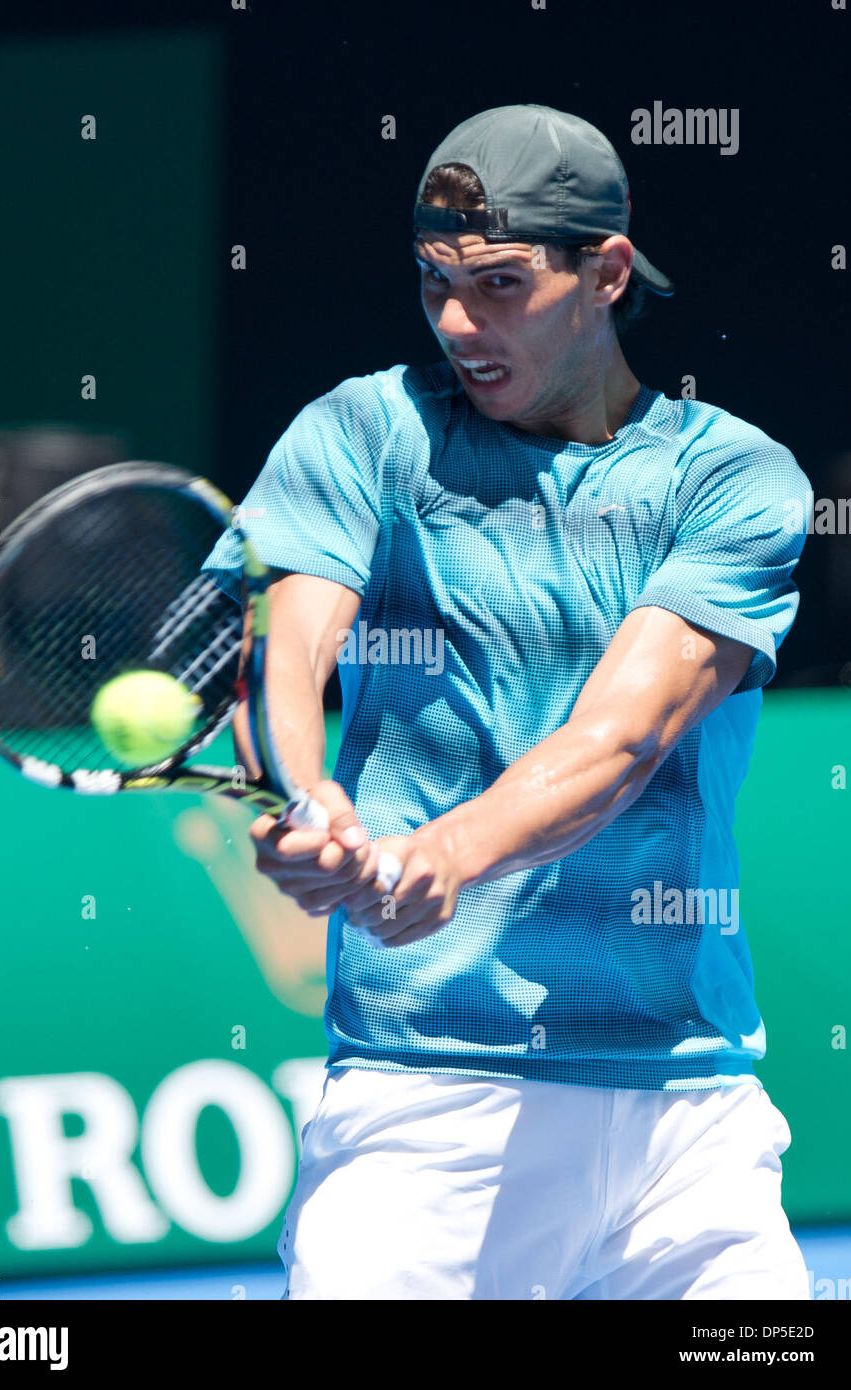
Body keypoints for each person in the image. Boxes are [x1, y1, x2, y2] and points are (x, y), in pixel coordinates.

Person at [203, 104, 811, 1300]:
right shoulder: (365, 432)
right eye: (433, 282)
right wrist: (303, 790)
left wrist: (445, 852)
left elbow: (620, 738)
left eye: (496, 284)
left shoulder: (731, 478)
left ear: (607, 271)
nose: (455, 323)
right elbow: (280, 652)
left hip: (683, 1125)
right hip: (420, 1113)